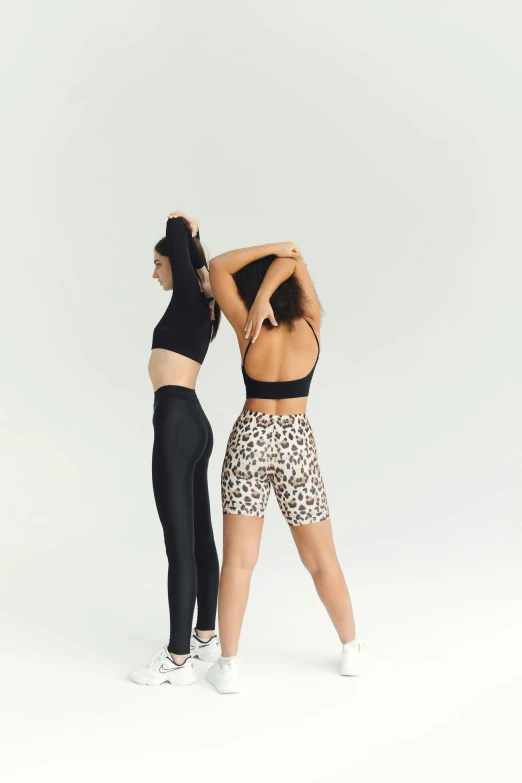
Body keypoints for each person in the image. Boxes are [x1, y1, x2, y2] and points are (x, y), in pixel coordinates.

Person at [206, 241, 369, 693]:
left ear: (253, 292)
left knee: (238, 562)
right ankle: (351, 649)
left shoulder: (248, 329)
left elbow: (219, 266)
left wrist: (256, 299)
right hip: (296, 440)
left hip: (250, 438)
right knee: (321, 560)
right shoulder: (311, 326)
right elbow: (295, 258)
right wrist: (283, 260)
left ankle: (230, 665)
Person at [130, 211, 222, 687]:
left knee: (178, 544)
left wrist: (183, 225)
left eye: (158, 264)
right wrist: (196, 240)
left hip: (175, 422)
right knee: (199, 536)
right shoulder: (203, 303)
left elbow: (176, 238)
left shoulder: (189, 298)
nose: (154, 273)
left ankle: (178, 658)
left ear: (176, 264)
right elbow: (195, 268)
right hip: (194, 422)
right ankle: (206, 636)